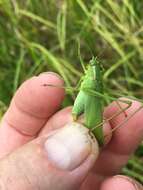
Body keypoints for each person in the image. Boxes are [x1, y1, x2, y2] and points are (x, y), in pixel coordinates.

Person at [0, 72, 142, 190]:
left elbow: (84, 87)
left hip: (91, 103)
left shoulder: (94, 77)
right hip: (86, 103)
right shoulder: (90, 74)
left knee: (128, 105)